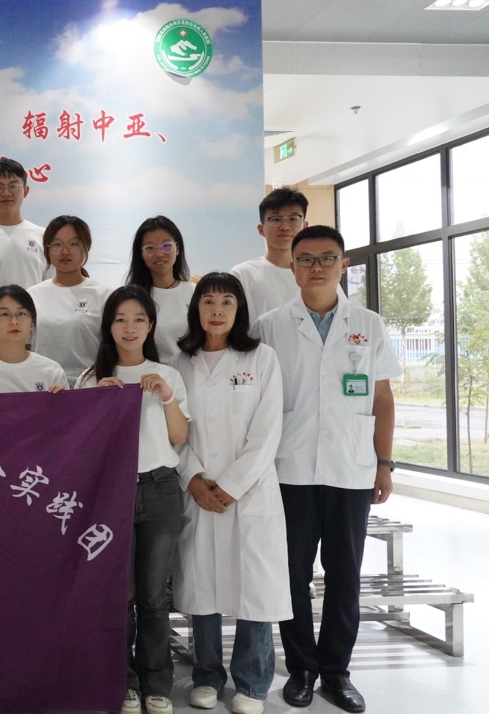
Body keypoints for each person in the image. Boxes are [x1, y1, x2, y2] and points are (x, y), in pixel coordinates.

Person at [254, 226, 399, 714]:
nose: (316, 267)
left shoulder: (369, 324)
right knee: (292, 573)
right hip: (289, 468)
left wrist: (384, 463)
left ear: (344, 264)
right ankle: (301, 668)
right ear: (291, 266)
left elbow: (382, 398)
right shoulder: (270, 325)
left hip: (351, 468)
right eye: (306, 259)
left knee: (345, 575)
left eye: (327, 258)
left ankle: (337, 671)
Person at [172, 273, 290, 714]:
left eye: (226, 302)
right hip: (199, 491)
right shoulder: (181, 362)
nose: (217, 310)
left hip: (250, 493)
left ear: (239, 309)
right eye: (208, 301)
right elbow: (175, 432)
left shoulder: (261, 358)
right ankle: (206, 676)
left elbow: (267, 429)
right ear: (196, 310)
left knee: (253, 590)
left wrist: (231, 485)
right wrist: (193, 478)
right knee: (201, 588)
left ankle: (253, 684)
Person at [76, 284, 189, 714]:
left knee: (155, 597)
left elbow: (179, 437)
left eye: (139, 319)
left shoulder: (167, 375)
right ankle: (122, 680)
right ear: (108, 326)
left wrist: (166, 396)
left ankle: (156, 682)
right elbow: (81, 449)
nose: (129, 327)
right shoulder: (91, 378)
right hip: (110, 493)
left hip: (160, 490)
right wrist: (97, 402)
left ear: (151, 326)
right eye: (120, 319)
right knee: (118, 596)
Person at [29, 216, 112, 385]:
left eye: (74, 244)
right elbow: (24, 348)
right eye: (57, 244)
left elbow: (114, 349)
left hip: (89, 387)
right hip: (42, 388)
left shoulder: (104, 295)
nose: (65, 252)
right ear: (47, 249)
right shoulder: (32, 296)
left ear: (87, 247)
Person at [0, 285, 67, 395]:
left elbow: (66, 407)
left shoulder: (52, 371)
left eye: (21, 313)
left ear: (32, 321)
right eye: (5, 314)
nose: (14, 321)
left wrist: (61, 400)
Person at [231, 188, 309, 326]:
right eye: (276, 219)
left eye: (293, 219)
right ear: (261, 229)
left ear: (305, 226)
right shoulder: (243, 275)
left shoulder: (318, 273)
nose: (285, 227)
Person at [124, 216, 194, 365]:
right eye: (150, 248)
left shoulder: (195, 293)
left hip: (192, 374)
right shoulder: (131, 299)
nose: (160, 254)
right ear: (141, 254)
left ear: (177, 249)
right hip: (148, 376)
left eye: (166, 245)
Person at [0, 157, 46, 290]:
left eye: (13, 186)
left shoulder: (43, 236)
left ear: (25, 191)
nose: (6, 193)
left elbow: (53, 286)